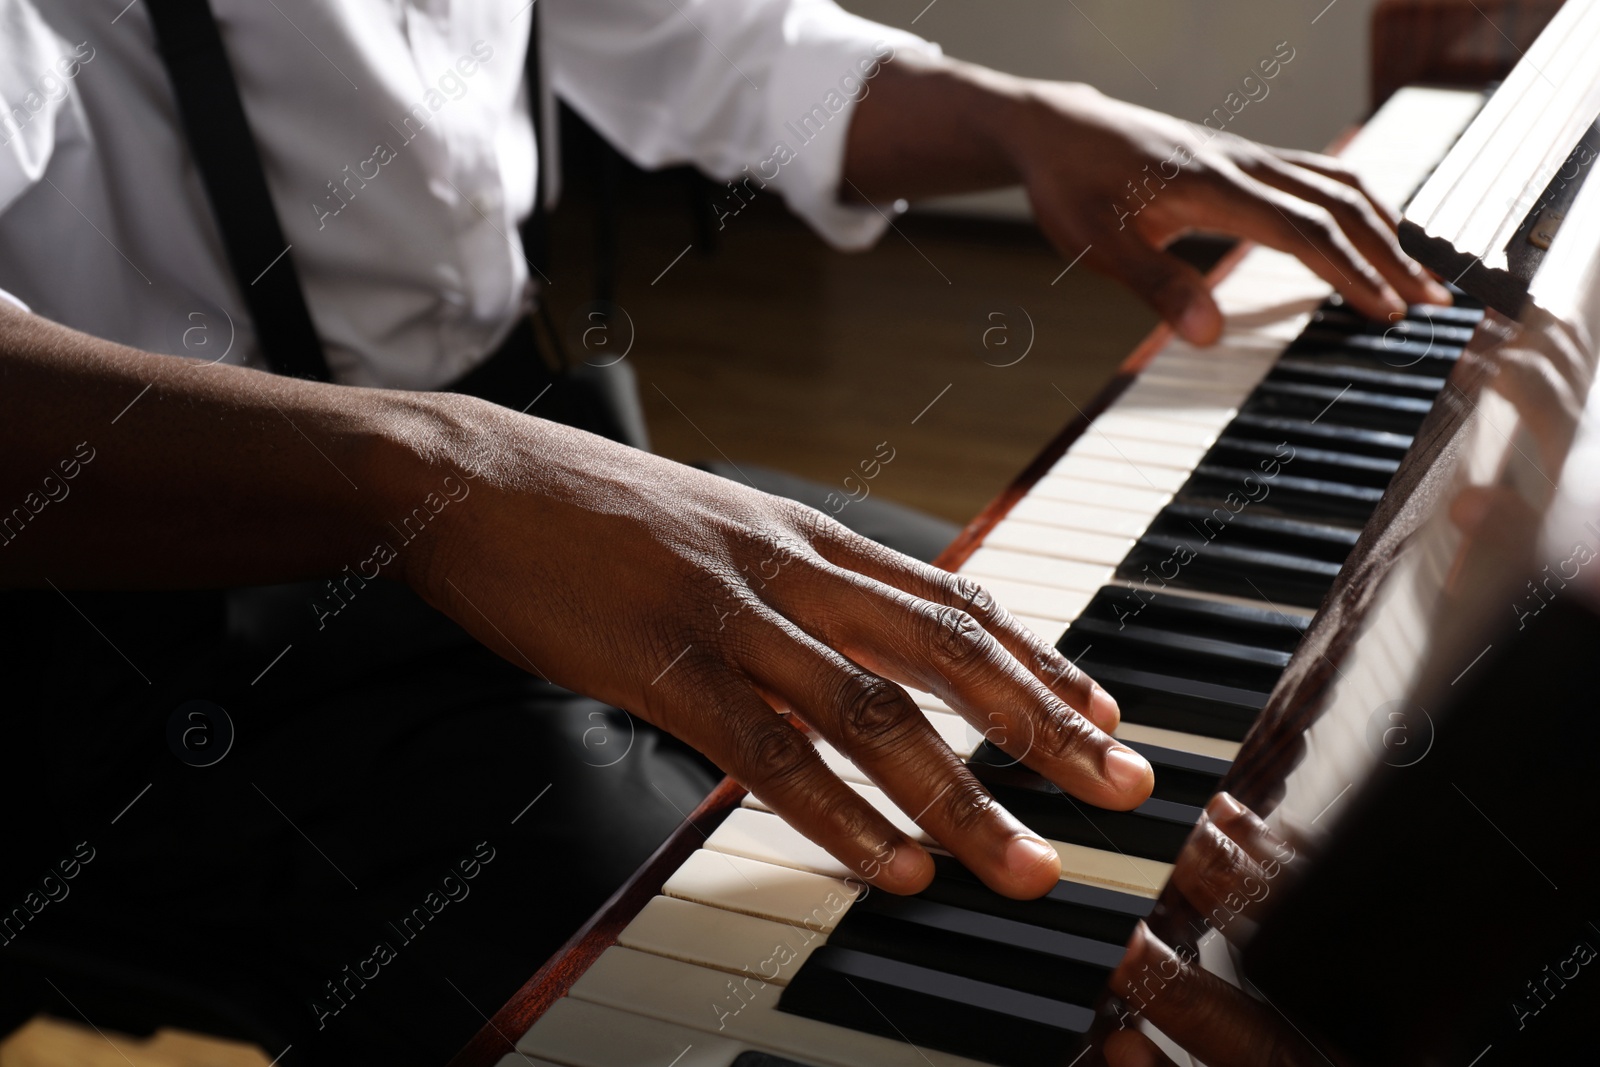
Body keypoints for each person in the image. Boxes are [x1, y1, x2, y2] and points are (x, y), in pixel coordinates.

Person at [0, 0, 1451, 1061]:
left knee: (1095, 701)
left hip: (523, 450)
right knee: (746, 999)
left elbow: (697, 39)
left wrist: (1008, 115)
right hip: (144, 597)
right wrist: (431, 477)